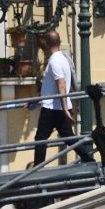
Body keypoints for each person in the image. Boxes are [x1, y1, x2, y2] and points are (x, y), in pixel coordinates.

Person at [27, 31, 88, 167]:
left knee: (41, 138)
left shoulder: (54, 61)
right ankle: (88, 158)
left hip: (52, 108)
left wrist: (65, 109)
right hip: (57, 106)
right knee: (69, 138)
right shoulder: (64, 59)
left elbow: (61, 85)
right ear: (59, 42)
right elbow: (52, 88)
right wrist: (36, 101)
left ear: (47, 44)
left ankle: (37, 168)